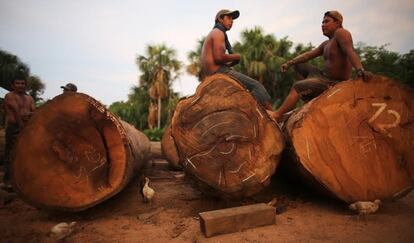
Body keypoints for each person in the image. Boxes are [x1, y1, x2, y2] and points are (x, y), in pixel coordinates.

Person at [270, 10, 372, 121]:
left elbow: (350, 51)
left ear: (337, 22)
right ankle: (309, 98)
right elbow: (308, 55)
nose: (323, 25)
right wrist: (290, 63)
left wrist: (360, 70)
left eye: (326, 22)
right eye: (322, 23)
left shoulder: (341, 33)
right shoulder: (326, 44)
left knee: (298, 86)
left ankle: (277, 114)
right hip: (322, 76)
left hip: (333, 82)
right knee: (298, 65)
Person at [201, 9, 274, 111]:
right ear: (220, 19)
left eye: (233, 19)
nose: (232, 21)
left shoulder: (214, 33)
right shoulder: (218, 33)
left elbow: (220, 59)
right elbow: (219, 57)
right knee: (257, 86)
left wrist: (232, 61)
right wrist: (236, 57)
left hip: (214, 72)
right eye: (229, 18)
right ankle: (274, 117)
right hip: (220, 71)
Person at [1, 77, 35, 189]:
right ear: (12, 85)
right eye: (18, 83)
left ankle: (23, 181)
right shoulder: (10, 96)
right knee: (10, 153)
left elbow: (33, 112)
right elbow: (16, 112)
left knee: (25, 154)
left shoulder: (29, 98)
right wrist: (22, 127)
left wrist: (28, 126)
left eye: (22, 83)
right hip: (14, 127)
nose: (20, 85)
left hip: (26, 127)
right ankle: (8, 181)